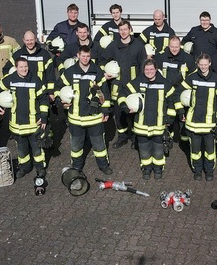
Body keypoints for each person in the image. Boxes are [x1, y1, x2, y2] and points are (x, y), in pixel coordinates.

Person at [58, 45, 113, 176]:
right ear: (78, 55)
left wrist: (105, 111)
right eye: (83, 56)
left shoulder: (97, 72)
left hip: (94, 117)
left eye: (88, 56)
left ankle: (103, 165)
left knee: (99, 145)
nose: (85, 58)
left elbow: (104, 92)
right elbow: (58, 87)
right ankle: (76, 167)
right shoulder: (70, 71)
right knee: (76, 146)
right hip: (76, 118)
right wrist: (62, 101)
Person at [121, 59, 178, 179]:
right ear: (143, 70)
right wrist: (125, 107)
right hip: (141, 124)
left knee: (158, 148)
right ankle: (146, 169)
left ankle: (158, 169)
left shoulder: (165, 83)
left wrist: (170, 119)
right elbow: (123, 93)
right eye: (147, 70)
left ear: (156, 69)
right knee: (144, 148)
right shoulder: (138, 82)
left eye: (151, 69)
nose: (149, 72)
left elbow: (172, 101)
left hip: (159, 124)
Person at [0, 58, 49, 180]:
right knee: (21, 149)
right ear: (16, 67)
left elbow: (44, 98)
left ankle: (40, 168)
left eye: (26, 67)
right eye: (21, 67)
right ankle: (25, 167)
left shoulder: (35, 80)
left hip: (34, 123)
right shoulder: (10, 79)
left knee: (37, 148)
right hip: (16, 124)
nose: (24, 69)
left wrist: (44, 117)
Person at [100, 20, 148, 149]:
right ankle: (122, 137)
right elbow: (103, 59)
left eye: (125, 29)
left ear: (130, 29)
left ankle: (134, 137)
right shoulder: (113, 45)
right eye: (120, 30)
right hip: (117, 86)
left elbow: (144, 65)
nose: (123, 32)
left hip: (132, 87)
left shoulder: (138, 45)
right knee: (119, 113)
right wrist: (105, 72)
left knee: (133, 113)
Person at [181, 54, 217, 181]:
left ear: (210, 64)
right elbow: (179, 94)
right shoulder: (192, 78)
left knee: (210, 150)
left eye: (205, 64)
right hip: (193, 122)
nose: (203, 67)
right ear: (197, 64)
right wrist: (181, 112)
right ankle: (197, 171)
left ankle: (209, 171)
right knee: (195, 150)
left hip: (210, 124)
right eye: (201, 64)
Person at [154, 35, 197, 142]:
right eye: (172, 47)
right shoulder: (160, 57)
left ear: (180, 46)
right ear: (168, 46)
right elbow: (154, 73)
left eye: (176, 47)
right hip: (165, 92)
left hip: (181, 93)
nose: (174, 49)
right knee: (167, 116)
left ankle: (185, 141)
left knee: (182, 117)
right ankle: (168, 137)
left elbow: (193, 75)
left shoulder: (188, 58)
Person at [10, 31, 56, 96]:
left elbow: (50, 75)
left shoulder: (44, 54)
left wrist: (51, 92)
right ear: (23, 40)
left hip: (41, 91)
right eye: (27, 40)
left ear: (35, 39)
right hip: (23, 92)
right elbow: (6, 70)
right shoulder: (18, 54)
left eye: (31, 40)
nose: (29, 42)